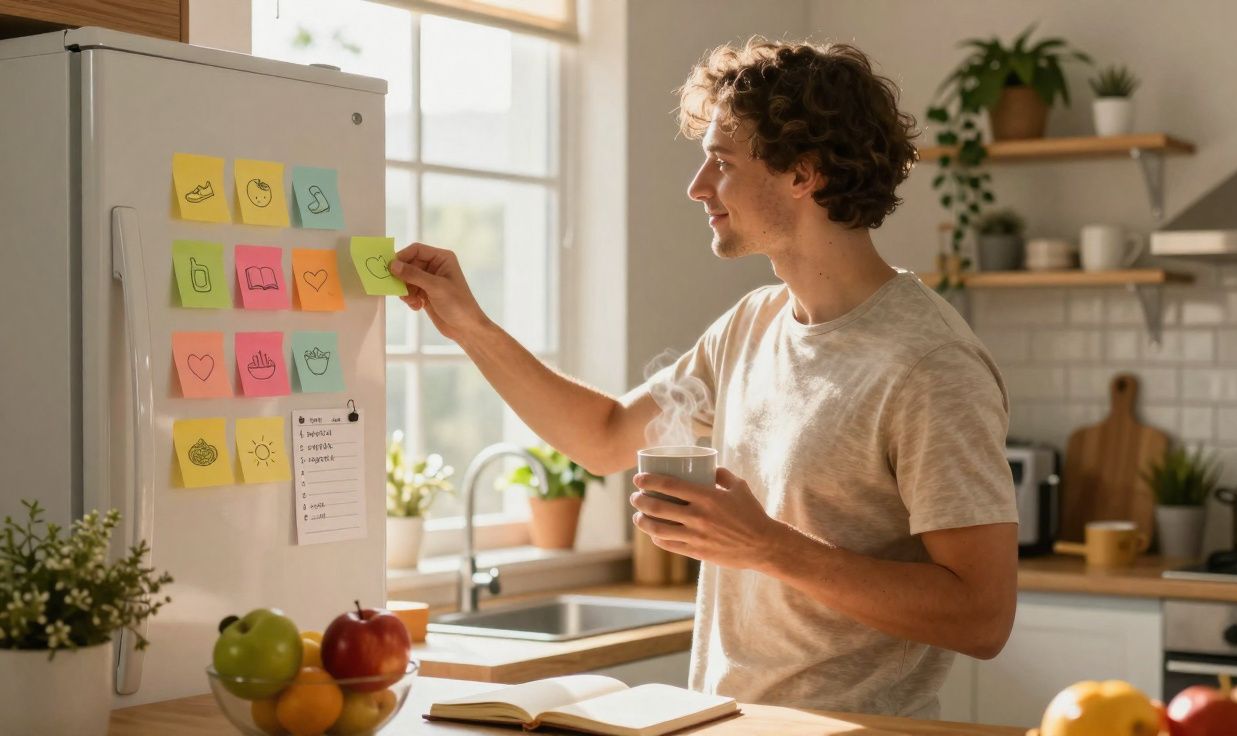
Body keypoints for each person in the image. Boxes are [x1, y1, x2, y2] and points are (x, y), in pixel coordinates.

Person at [387, 37, 1017, 719]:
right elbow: (602, 437)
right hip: (722, 722)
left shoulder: (930, 364)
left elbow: (982, 617)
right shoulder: (751, 324)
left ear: (803, 174)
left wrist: (767, 547)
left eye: (721, 161)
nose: (697, 187)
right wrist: (471, 327)